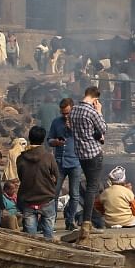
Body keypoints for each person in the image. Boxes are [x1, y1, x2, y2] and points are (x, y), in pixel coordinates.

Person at [70, 86, 108, 237]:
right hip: (93, 153)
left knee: (89, 187)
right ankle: (87, 222)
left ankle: (87, 220)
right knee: (92, 188)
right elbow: (103, 128)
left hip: (80, 153)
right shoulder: (92, 111)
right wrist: (99, 111)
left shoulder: (74, 110)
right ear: (95, 99)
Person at [17, 125, 60, 239]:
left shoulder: (21, 158)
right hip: (47, 199)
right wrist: (50, 183)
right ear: (43, 140)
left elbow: (21, 177)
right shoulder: (48, 157)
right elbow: (57, 176)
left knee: (31, 239)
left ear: (30, 138)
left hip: (28, 200)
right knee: (48, 236)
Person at [47, 98, 83, 231]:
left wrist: (72, 128)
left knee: (75, 194)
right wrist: (55, 142)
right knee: (54, 193)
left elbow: (85, 139)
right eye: (63, 113)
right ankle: (51, 221)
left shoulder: (80, 122)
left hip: (75, 162)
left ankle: (70, 220)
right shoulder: (56, 122)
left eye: (67, 113)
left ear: (73, 109)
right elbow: (49, 139)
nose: (65, 116)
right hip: (59, 162)